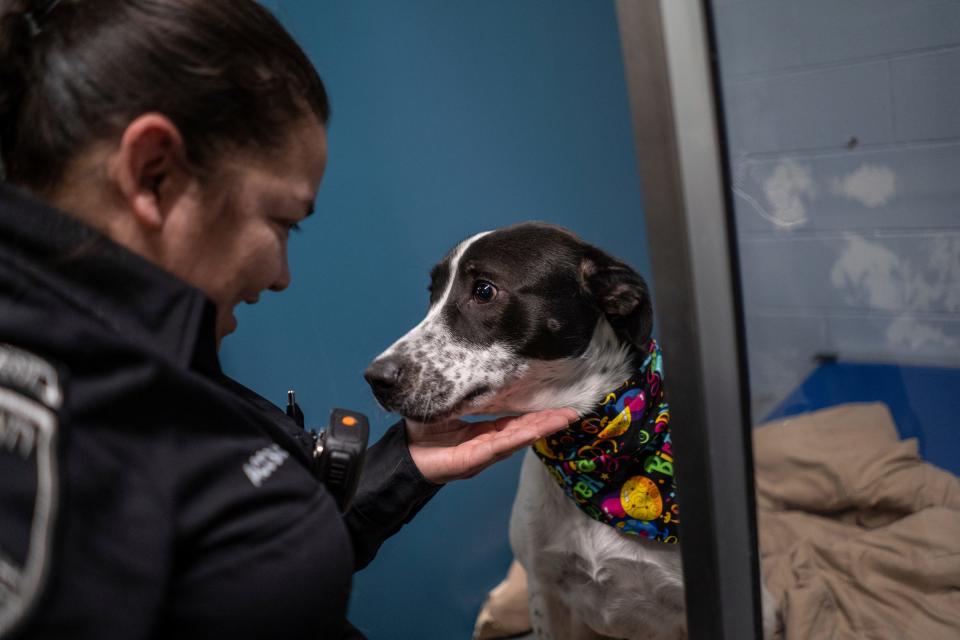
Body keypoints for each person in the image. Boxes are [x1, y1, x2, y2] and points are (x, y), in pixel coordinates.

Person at [0, 1, 576, 637]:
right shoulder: (56, 430)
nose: (281, 276)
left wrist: (405, 466)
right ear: (153, 173)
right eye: (282, 223)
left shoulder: (142, 360)